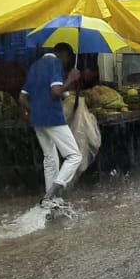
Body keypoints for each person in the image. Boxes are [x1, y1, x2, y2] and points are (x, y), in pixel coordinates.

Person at [20, 42, 82, 204]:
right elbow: (55, 92)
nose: (67, 63)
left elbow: (22, 98)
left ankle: (51, 201)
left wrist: (36, 110)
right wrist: (70, 79)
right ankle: (52, 193)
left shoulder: (34, 66)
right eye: (68, 59)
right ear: (64, 55)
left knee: (50, 158)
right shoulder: (55, 63)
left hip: (37, 120)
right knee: (74, 156)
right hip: (53, 118)